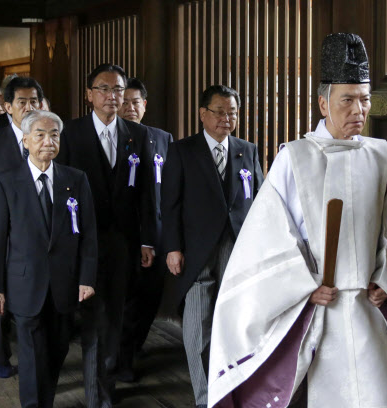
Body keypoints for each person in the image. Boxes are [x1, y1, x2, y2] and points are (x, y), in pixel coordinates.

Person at [208, 33, 387, 408]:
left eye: (365, 99)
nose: (359, 110)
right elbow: (268, 238)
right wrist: (304, 287)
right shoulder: (296, 158)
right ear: (323, 103)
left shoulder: (378, 155)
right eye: (347, 100)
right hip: (319, 307)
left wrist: (384, 280)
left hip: (365, 309)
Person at [56, 63, 156, 407]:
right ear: (89, 95)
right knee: (75, 320)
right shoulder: (69, 133)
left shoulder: (137, 135)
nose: (112, 96)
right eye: (104, 89)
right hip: (80, 240)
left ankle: (101, 392)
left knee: (110, 319)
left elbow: (145, 193)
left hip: (120, 242)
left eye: (118, 90)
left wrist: (146, 239)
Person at [0, 110, 97, 408]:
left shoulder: (75, 179)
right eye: (40, 134)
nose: (48, 141)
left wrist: (87, 278)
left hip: (65, 283)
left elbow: (88, 235)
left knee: (58, 350)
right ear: (25, 141)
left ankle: (43, 400)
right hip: (24, 284)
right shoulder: (5, 182)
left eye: (54, 135)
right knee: (33, 354)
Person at [161, 85, 263, 408]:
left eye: (232, 112)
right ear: (202, 114)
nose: (226, 118)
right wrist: (173, 247)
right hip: (196, 250)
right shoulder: (183, 150)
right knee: (197, 325)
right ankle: (205, 398)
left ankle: (234, 388)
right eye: (219, 111)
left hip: (237, 247)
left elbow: (260, 201)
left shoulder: (247, 150)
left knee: (235, 321)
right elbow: (170, 203)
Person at [0, 75, 44, 378]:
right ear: (6, 106)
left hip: (38, 236)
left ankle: (37, 356)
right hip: (0, 236)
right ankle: (2, 359)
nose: (29, 107)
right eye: (21, 102)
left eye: (33, 101)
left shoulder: (49, 137)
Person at [117, 77, 173, 381]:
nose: (129, 107)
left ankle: (135, 346)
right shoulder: (117, 139)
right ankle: (122, 359)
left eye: (134, 102)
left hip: (160, 232)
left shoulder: (162, 137)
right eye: (124, 102)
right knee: (127, 301)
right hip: (129, 234)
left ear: (144, 105)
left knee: (151, 297)